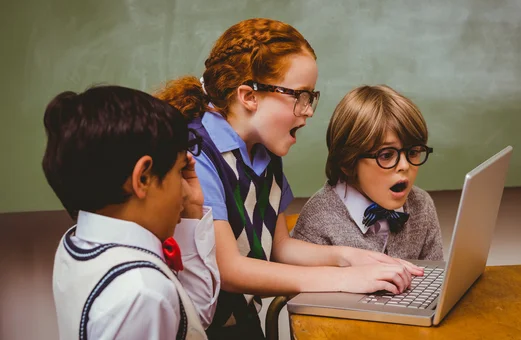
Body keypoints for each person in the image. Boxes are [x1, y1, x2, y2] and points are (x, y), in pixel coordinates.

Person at [156, 18, 423, 339]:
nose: (308, 110)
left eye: (311, 97)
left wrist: (349, 257)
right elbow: (229, 270)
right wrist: (342, 279)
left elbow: (280, 246)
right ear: (249, 96)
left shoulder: (265, 151)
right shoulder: (198, 152)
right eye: (300, 96)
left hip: (242, 323)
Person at [42, 85, 214, 339]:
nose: (186, 191)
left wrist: (190, 211)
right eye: (179, 172)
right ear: (143, 178)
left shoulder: (79, 242)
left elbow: (190, 318)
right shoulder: (143, 291)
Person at [292, 85, 443, 260]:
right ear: (347, 162)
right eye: (386, 155)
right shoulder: (316, 221)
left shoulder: (421, 205)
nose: (404, 165)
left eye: (413, 152)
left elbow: (438, 280)